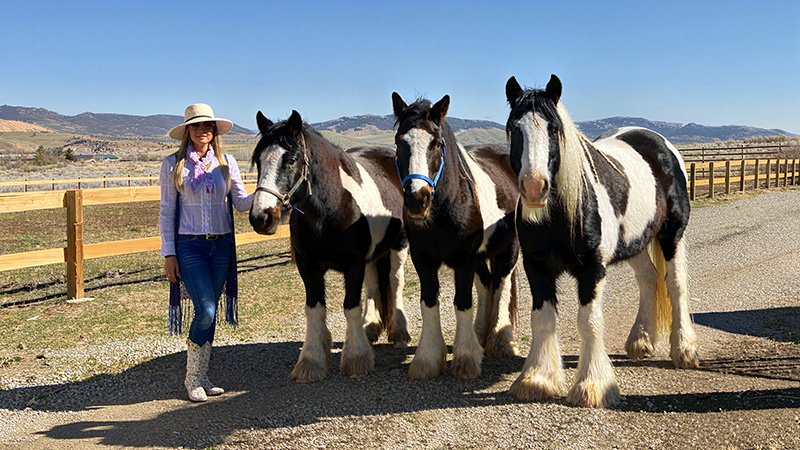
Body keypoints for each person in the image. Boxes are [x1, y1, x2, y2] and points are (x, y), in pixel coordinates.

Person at [159, 103, 253, 402]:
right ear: (188, 130)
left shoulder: (227, 163)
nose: (204, 131)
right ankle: (192, 378)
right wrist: (168, 253)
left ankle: (202, 376)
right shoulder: (173, 165)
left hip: (221, 244)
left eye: (208, 126)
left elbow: (239, 203)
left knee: (209, 313)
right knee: (206, 310)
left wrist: (267, 192)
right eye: (198, 126)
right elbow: (166, 211)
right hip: (190, 245)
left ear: (214, 132)